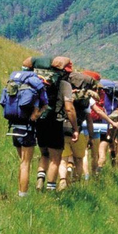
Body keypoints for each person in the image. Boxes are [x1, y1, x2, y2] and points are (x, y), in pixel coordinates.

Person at [33, 61, 78, 192]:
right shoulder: (65, 85)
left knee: (44, 154)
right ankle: (50, 188)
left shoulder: (39, 82)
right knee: (55, 158)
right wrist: (75, 128)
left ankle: (40, 178)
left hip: (40, 121)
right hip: (56, 122)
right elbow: (69, 109)